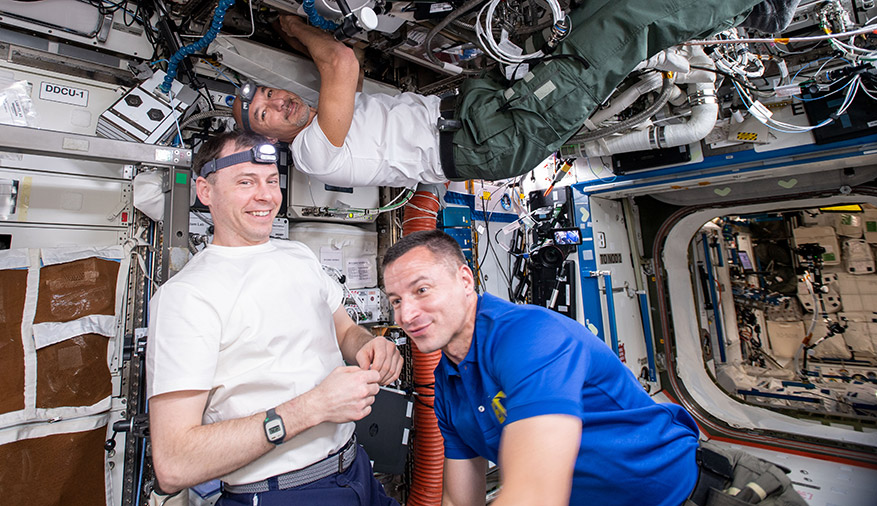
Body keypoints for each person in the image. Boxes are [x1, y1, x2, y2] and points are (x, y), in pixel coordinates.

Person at [381, 230, 808, 506]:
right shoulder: (448, 383)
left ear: (465, 280)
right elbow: (463, 499)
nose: (407, 313)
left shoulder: (531, 337)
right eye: (396, 300)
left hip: (712, 496)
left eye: (421, 290)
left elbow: (535, 495)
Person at [233, 0, 796, 187]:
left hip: (473, 115)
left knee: (582, 20)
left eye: (270, 93)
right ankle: (755, 5)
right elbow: (340, 60)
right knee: (611, 36)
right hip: (490, 137)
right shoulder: (310, 154)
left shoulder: (317, 130)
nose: (279, 101)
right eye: (266, 112)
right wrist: (293, 27)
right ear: (271, 140)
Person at [146, 130, 403, 505]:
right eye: (246, 182)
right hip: (282, 493)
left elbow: (344, 330)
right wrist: (313, 407)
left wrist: (370, 345)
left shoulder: (297, 256)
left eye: (271, 180)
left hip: (355, 469)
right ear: (205, 191)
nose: (265, 195)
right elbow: (174, 463)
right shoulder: (187, 296)